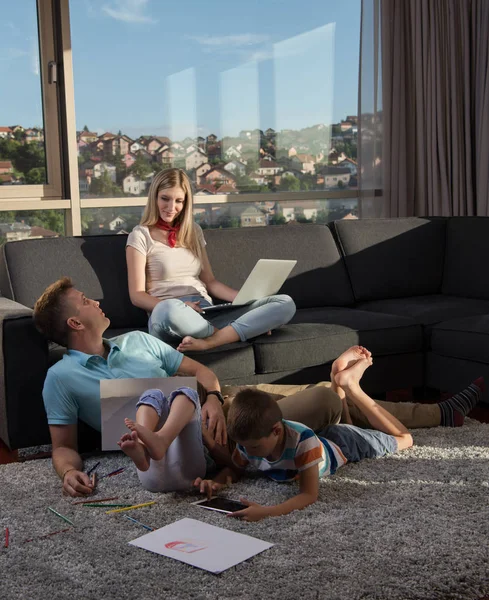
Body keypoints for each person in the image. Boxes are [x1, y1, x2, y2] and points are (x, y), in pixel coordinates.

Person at [33, 279, 483, 497]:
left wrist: (210, 398)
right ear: (75, 323)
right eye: (86, 303)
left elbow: (203, 375)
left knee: (316, 391)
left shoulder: (135, 340)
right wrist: (67, 471)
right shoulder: (63, 378)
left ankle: (440, 415)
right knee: (329, 397)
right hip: (204, 444)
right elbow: (63, 447)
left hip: (227, 405)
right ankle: (400, 412)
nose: (96, 301)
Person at [193, 352, 484, 522]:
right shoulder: (250, 442)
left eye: (253, 447)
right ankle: (339, 386)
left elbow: (308, 495)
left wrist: (266, 512)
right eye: (245, 448)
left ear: (276, 431)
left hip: (342, 445)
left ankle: (351, 388)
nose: (249, 453)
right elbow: (237, 467)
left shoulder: (302, 442)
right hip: (323, 437)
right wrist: (216, 482)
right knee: (341, 420)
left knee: (404, 440)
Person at [126, 168, 296, 353]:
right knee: (168, 310)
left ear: (186, 202)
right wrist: (181, 306)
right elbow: (137, 295)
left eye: (179, 201)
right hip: (170, 316)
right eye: (165, 198)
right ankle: (235, 333)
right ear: (154, 198)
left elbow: (211, 283)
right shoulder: (140, 235)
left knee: (284, 303)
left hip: (206, 313)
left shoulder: (194, 231)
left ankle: (211, 340)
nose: (171, 207)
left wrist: (246, 300)